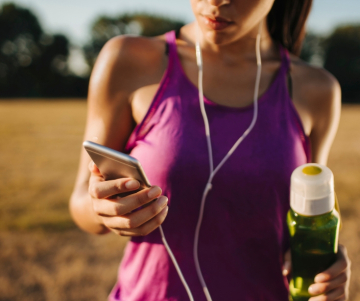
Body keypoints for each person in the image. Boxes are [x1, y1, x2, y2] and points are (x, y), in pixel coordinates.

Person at [70, 0, 351, 300]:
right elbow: (81, 203)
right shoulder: (129, 60)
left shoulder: (316, 89)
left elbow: (311, 219)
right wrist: (102, 211)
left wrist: (328, 268)